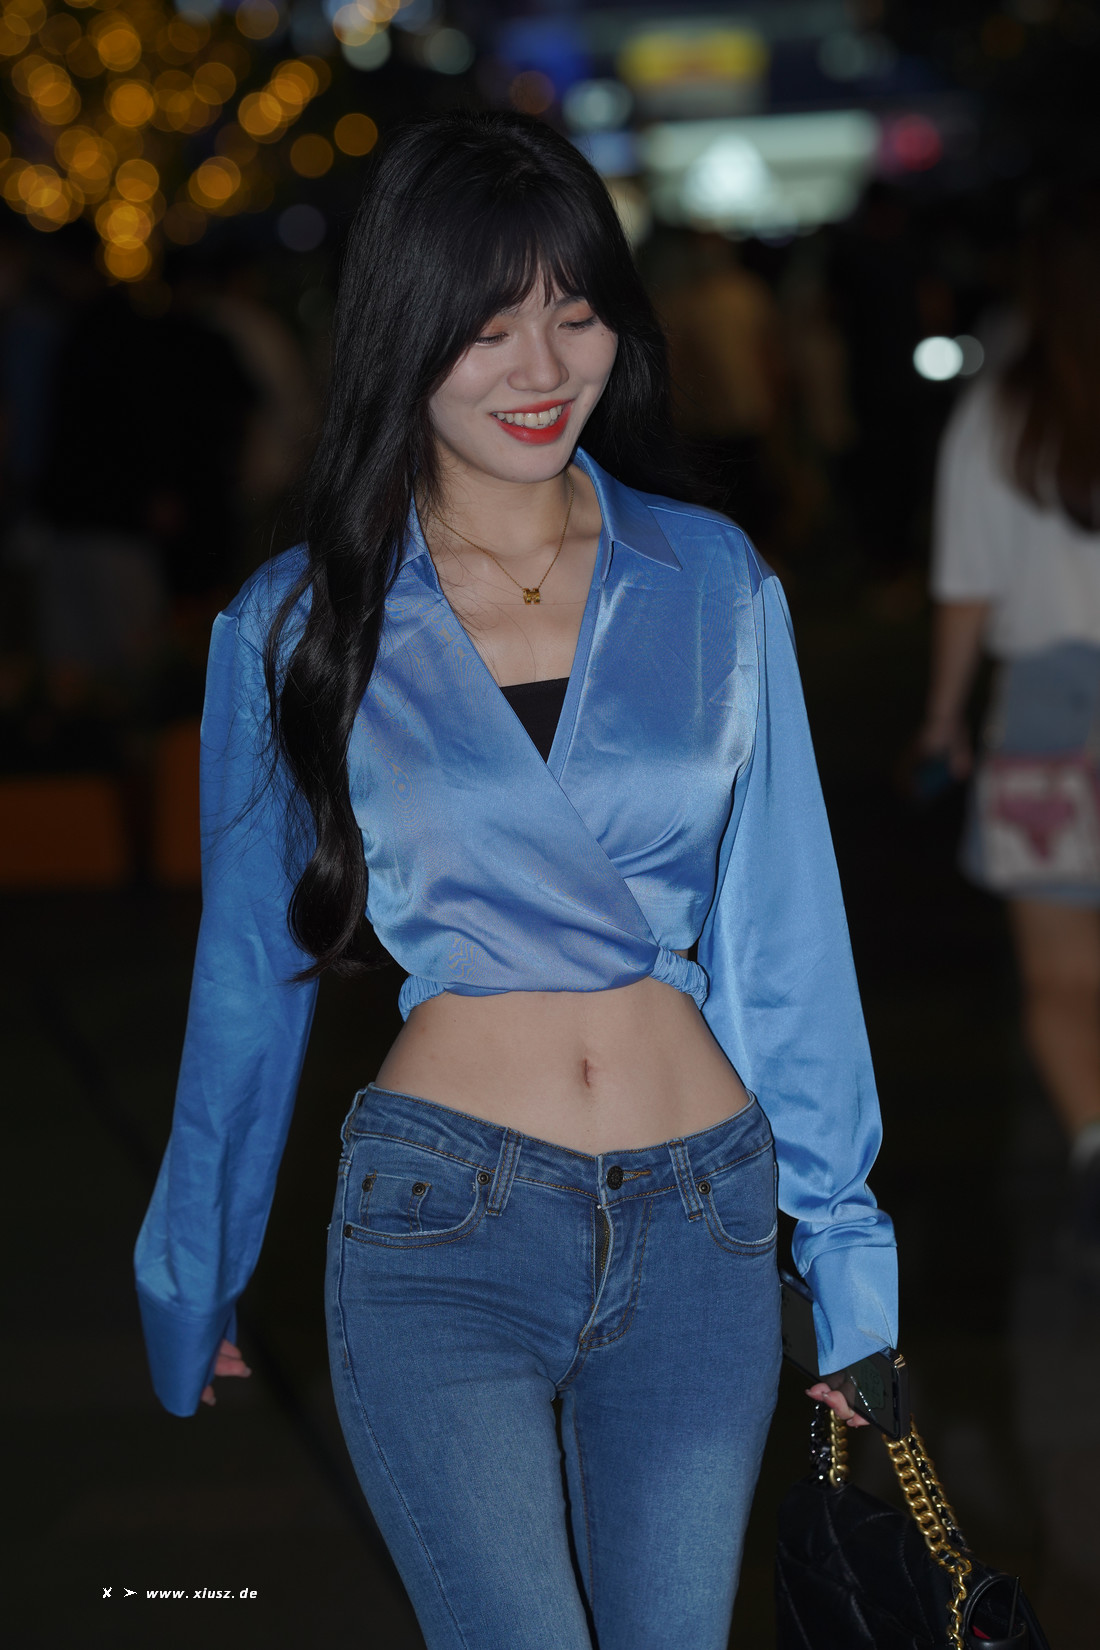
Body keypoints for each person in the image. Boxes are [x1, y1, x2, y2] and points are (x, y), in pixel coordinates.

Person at [135, 112, 897, 1650]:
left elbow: (786, 939)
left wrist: (847, 1255)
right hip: (444, 1227)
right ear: (402, 334)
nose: (542, 366)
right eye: (487, 327)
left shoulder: (713, 576)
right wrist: (198, 1262)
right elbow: (247, 975)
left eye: (575, 311)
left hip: (703, 1220)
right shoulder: (298, 620)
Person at [918, 185, 1100, 1255]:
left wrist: (942, 719)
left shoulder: (997, 411)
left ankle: (1093, 1144)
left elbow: (966, 590)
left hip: (1040, 713)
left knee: (1061, 977)